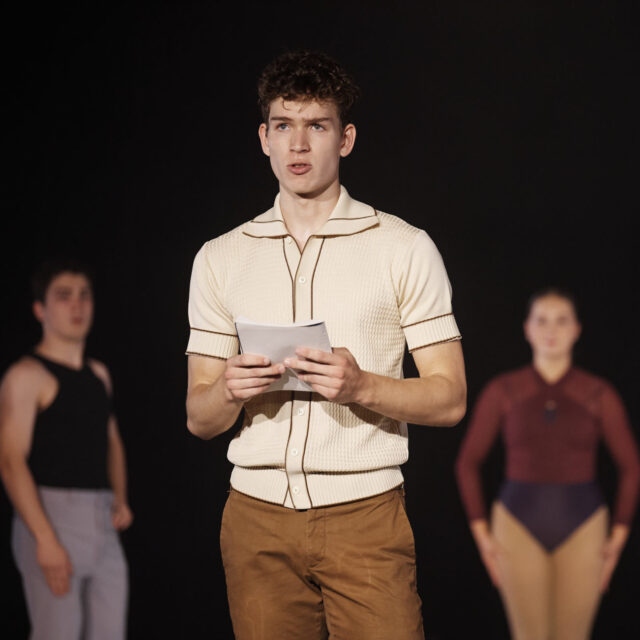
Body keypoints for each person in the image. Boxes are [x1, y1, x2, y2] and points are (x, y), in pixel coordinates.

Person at [185, 50, 466, 640]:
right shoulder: (221, 256)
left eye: (317, 125)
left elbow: (450, 398)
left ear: (346, 139)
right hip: (255, 521)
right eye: (284, 125)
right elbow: (198, 418)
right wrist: (231, 391)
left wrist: (362, 385)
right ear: (264, 138)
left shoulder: (402, 246)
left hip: (365, 517)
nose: (299, 145)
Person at [455, 288, 640, 640]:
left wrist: (618, 538)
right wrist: (483, 538)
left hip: (584, 527)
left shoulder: (598, 393)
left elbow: (631, 467)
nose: (550, 329)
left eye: (561, 320)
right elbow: (467, 463)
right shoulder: (503, 390)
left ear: (576, 329)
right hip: (516, 527)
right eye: (541, 320)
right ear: (527, 328)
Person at [0, 260, 132, 640]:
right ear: (40, 309)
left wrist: (120, 497)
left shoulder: (99, 374)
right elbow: (11, 462)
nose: (77, 305)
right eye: (63, 296)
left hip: (101, 519)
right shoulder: (26, 375)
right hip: (50, 516)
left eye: (84, 295)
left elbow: (112, 440)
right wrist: (45, 539)